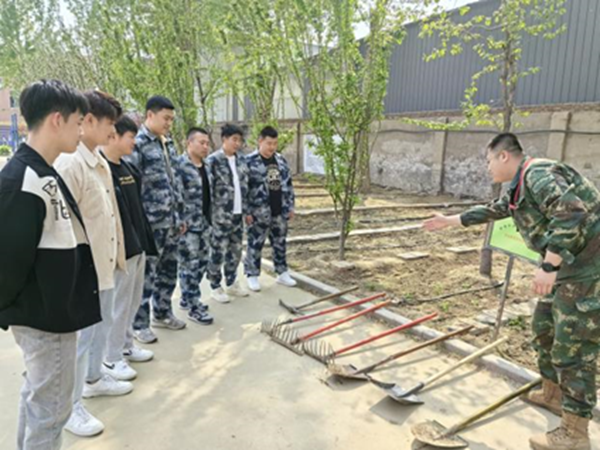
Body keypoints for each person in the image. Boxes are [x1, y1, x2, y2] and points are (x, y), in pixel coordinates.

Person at [424, 133, 600, 450]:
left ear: (504, 156)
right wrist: (451, 220)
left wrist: (549, 266)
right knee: (543, 328)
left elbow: (572, 213)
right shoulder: (520, 186)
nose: (487, 167)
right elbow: (499, 208)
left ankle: (574, 434)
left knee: (573, 348)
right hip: (569, 268)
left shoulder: (539, 173)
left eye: (488, 160)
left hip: (588, 269)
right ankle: (553, 395)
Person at [0, 79, 99, 449]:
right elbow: (8, 261)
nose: (81, 130)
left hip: (52, 312)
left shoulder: (44, 171)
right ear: (57, 120)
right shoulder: (22, 180)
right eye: (78, 122)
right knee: (52, 410)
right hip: (43, 317)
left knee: (40, 401)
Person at [55, 90, 131, 438]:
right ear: (86, 122)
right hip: (84, 270)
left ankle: (95, 378)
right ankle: (69, 408)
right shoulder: (70, 164)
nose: (112, 132)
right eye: (108, 125)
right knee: (80, 340)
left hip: (105, 262)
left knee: (98, 329)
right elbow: (62, 226)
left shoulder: (96, 159)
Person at [101, 115, 158, 381]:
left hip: (138, 245)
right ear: (113, 136)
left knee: (132, 300)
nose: (134, 142)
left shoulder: (127, 168)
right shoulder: (101, 171)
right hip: (119, 251)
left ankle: (125, 346)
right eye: (131, 137)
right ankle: (111, 359)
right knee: (118, 305)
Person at [125, 96, 187, 344]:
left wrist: (180, 215)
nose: (169, 123)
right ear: (150, 115)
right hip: (150, 224)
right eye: (166, 118)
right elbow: (131, 186)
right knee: (146, 276)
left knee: (169, 271)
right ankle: (139, 324)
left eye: (172, 119)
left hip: (171, 221)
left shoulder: (167, 143)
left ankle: (162, 312)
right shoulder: (138, 145)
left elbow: (176, 181)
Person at [244, 126, 297, 291]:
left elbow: (288, 185)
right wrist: (247, 211)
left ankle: (282, 273)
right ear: (260, 141)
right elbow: (243, 189)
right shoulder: (249, 161)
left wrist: (290, 206)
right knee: (255, 244)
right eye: (268, 143)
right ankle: (252, 275)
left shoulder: (280, 160)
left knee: (280, 243)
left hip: (279, 211)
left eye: (274, 143)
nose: (272, 147)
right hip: (258, 213)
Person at [206, 124, 250, 303]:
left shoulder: (241, 160)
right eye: (234, 140)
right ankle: (215, 286)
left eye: (240, 140)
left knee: (235, 251)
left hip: (238, 215)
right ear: (224, 139)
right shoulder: (213, 161)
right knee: (217, 251)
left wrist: (246, 210)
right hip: (220, 216)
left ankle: (231, 283)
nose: (237, 144)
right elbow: (208, 190)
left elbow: (245, 186)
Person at [176, 127, 214, 324]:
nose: (206, 147)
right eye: (202, 143)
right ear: (189, 143)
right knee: (189, 266)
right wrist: (179, 220)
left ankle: (186, 297)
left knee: (201, 264)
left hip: (205, 224)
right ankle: (193, 305)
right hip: (188, 226)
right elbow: (176, 196)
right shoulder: (180, 166)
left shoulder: (206, 166)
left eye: (207, 143)